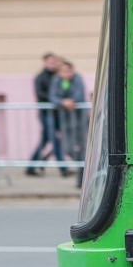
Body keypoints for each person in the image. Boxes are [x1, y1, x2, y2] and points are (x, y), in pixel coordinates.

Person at [26, 52, 66, 176]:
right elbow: (40, 94)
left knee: (47, 140)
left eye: (54, 62)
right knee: (53, 139)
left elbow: (63, 90)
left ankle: (33, 166)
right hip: (46, 113)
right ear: (45, 62)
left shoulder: (58, 76)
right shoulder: (40, 77)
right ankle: (63, 169)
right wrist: (56, 100)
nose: (52, 64)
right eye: (50, 62)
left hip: (56, 113)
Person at [50, 60, 88, 188]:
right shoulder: (57, 81)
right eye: (63, 71)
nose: (66, 73)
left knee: (82, 147)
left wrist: (67, 102)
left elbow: (79, 96)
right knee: (68, 148)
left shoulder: (78, 80)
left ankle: (81, 177)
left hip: (79, 118)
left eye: (68, 71)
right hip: (65, 118)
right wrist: (63, 102)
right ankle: (81, 167)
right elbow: (53, 97)